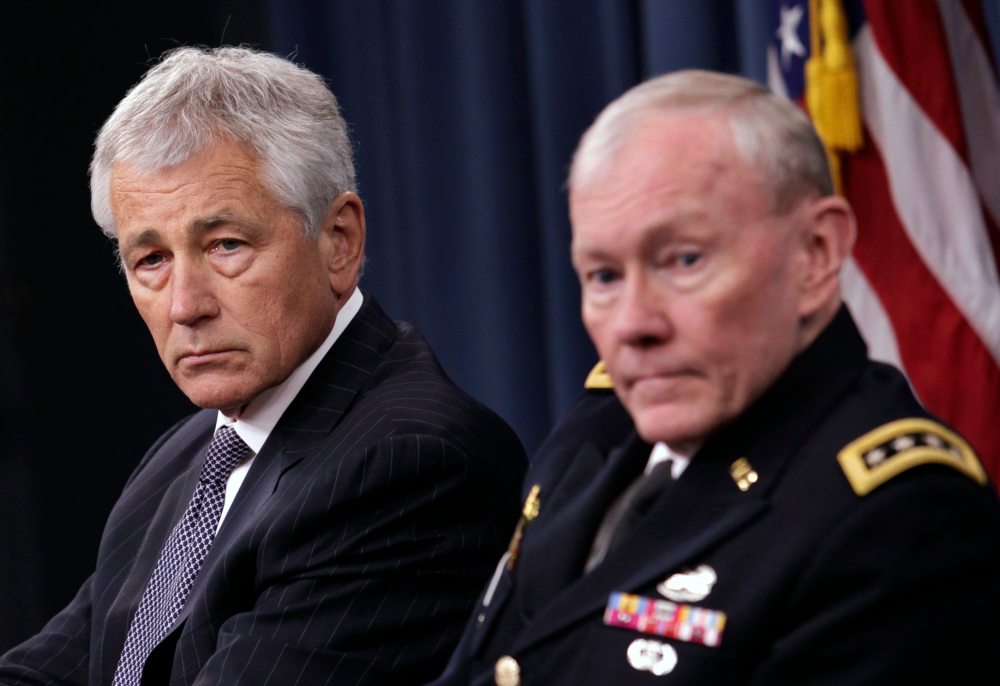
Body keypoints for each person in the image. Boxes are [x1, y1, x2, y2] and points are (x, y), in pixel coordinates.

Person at [435, 70, 1000, 685]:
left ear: (816, 252)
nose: (632, 324)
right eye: (603, 276)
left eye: (683, 260)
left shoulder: (899, 515)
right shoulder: (594, 433)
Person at [0, 46, 526, 685]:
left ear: (339, 243)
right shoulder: (194, 449)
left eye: (225, 246)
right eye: (152, 261)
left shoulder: (409, 462)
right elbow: (56, 667)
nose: (184, 307)